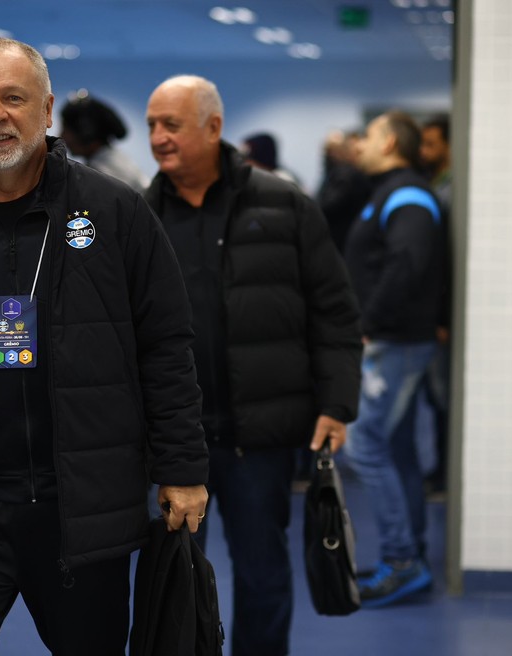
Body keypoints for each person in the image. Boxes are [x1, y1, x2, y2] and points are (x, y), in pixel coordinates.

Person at [0, 38, 209, 656]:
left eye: (13, 98)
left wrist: (181, 468)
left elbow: (166, 349)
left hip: (79, 511)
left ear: (46, 110)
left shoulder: (116, 214)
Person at [144, 75, 362, 656]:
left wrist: (337, 402)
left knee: (263, 573)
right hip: (172, 441)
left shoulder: (284, 204)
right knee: (172, 580)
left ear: (213, 127)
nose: (158, 137)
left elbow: (334, 310)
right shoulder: (138, 216)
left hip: (259, 439)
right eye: (152, 126)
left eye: (172, 125)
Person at [342, 109, 445, 608]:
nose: (358, 144)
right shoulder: (389, 193)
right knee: (396, 446)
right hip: (393, 341)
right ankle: (411, 555)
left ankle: (403, 561)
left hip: (393, 343)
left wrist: (368, 324)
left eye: (368, 136)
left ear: (388, 143)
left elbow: (407, 264)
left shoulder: (407, 196)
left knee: (364, 446)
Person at [418, 112, 452, 495]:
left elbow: (446, 259)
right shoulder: (435, 183)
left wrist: (443, 317)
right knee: (435, 395)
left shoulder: (451, 189)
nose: (425, 151)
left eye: (432, 144)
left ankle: (444, 472)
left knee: (443, 398)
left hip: (441, 317)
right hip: (434, 315)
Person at [59, 91, 150, 191]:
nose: (61, 136)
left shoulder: (106, 173)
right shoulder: (109, 163)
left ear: (87, 133)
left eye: (66, 130)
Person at [314, 129, 372, 254]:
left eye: (331, 150)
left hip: (342, 242)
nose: (327, 154)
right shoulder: (336, 174)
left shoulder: (345, 175)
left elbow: (327, 205)